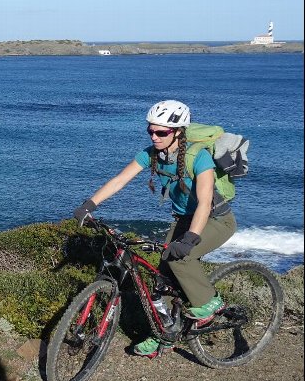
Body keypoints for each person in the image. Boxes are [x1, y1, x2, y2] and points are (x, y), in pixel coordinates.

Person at [72, 100, 237, 358]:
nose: (154, 136)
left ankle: (208, 302)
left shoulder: (199, 157)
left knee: (180, 259)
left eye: (161, 132)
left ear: (178, 132)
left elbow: (205, 202)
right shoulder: (152, 154)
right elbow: (120, 180)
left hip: (216, 219)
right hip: (184, 219)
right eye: (151, 131)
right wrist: (89, 204)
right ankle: (165, 334)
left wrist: (191, 237)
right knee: (162, 278)